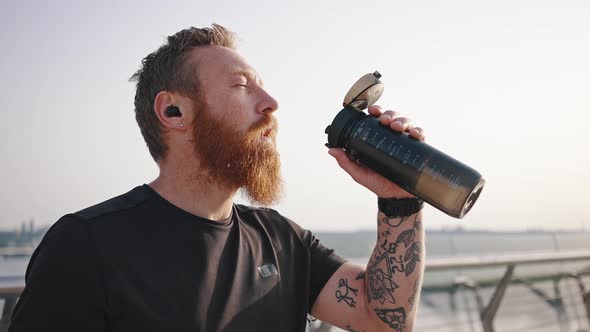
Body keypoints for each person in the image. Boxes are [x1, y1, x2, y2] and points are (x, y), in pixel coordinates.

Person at [9, 24, 426, 332]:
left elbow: (382, 319)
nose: (271, 104)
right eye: (242, 86)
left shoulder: (283, 241)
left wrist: (400, 202)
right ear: (174, 112)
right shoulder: (86, 246)